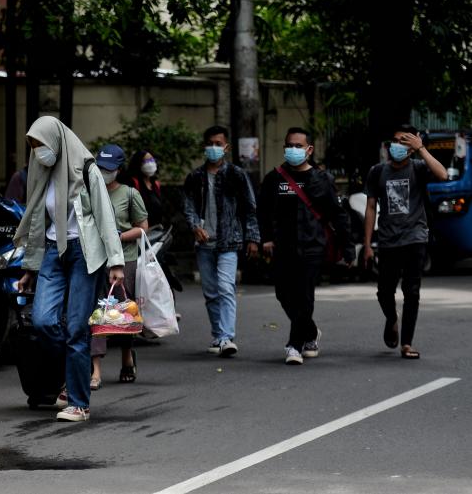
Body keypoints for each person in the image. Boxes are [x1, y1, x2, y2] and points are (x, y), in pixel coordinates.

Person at [14, 116, 124, 423]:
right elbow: (37, 221)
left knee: (77, 328)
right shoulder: (42, 171)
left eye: (41, 144)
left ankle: (79, 403)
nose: (38, 150)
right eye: (33, 145)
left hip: (83, 254)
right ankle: (77, 366)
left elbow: (104, 216)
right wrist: (29, 267)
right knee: (42, 322)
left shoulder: (87, 169)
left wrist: (116, 262)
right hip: (52, 252)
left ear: (57, 141)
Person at [258, 127, 354, 365]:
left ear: (309, 150)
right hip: (283, 247)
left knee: (304, 296)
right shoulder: (275, 178)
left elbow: (338, 215)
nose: (293, 150)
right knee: (283, 293)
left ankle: (295, 345)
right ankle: (310, 332)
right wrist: (265, 238)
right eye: (289, 145)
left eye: (298, 146)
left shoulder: (322, 180)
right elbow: (262, 212)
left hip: (312, 246)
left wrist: (348, 247)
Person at [363, 126, 448, 359]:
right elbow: (370, 208)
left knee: (412, 291)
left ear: (411, 148)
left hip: (415, 237)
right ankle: (392, 318)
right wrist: (368, 245)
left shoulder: (419, 167)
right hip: (388, 240)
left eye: (403, 141)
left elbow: (442, 175)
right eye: (395, 140)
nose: (397, 145)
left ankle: (407, 343)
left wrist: (422, 149)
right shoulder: (377, 172)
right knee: (383, 291)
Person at [183, 126, 260, 358]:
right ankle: (218, 335)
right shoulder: (195, 177)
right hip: (204, 243)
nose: (214, 148)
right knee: (210, 292)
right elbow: (188, 206)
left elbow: (249, 207)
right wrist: (195, 226)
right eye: (210, 143)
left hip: (229, 241)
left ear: (226, 147)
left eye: (218, 143)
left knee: (226, 288)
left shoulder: (236, 175)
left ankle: (226, 337)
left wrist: (253, 238)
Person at [90, 144, 149, 389]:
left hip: (126, 261)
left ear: (119, 169)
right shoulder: (90, 192)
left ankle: (127, 357)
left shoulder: (129, 194)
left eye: (109, 168)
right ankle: (95, 370)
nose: (105, 172)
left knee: (124, 313)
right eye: (101, 167)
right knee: (95, 315)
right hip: (96, 261)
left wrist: (119, 237)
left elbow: (143, 226)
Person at [124, 150, 163, 227]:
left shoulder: (155, 184)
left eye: (152, 160)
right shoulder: (132, 183)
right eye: (146, 160)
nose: (150, 163)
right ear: (138, 163)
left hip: (155, 229)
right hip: (139, 230)